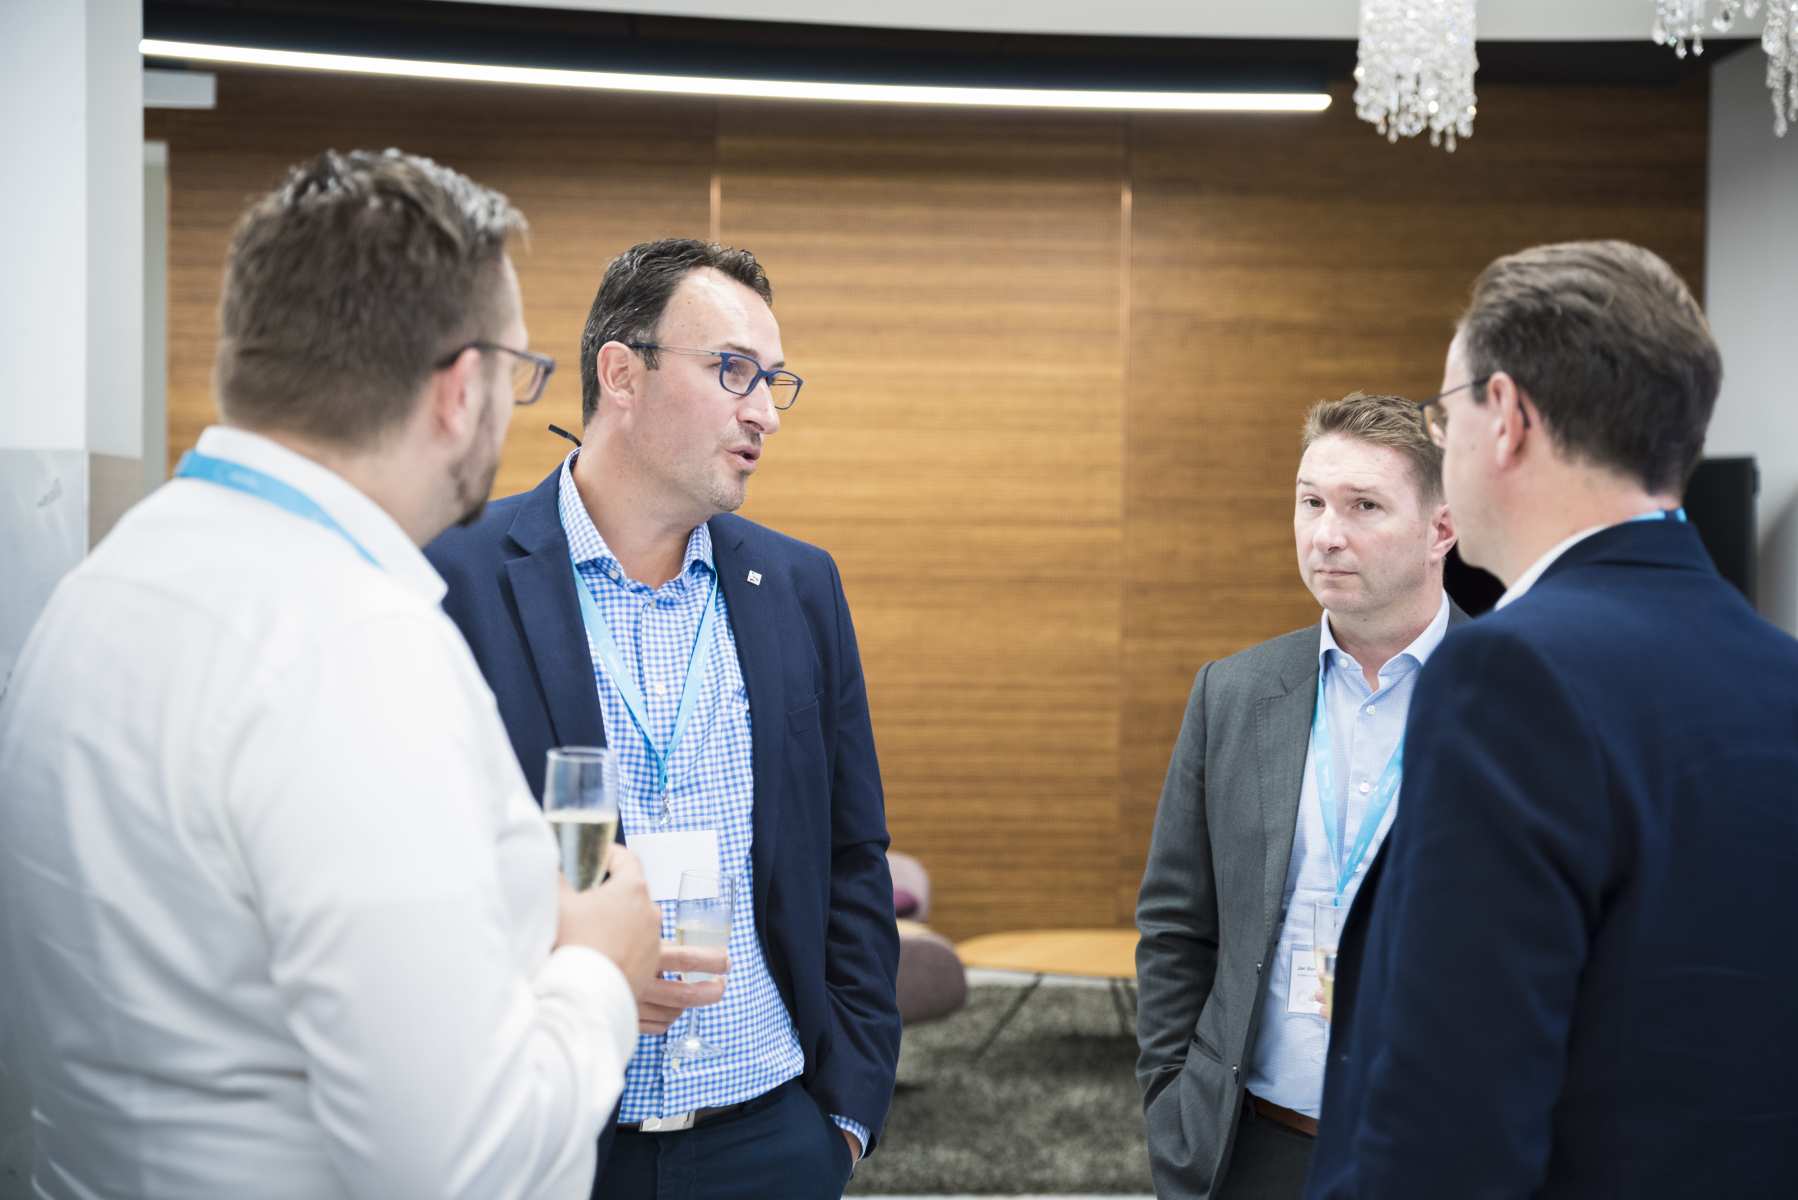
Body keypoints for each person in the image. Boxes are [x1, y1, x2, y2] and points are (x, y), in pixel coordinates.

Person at [0, 149, 661, 1198]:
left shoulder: (101, 585)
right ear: (460, 391)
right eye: (520, 374)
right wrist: (599, 970)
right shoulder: (354, 649)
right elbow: (461, 1167)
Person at [1307, 241, 1798, 1199]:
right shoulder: (1780, 675)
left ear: (1507, 417)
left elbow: (1452, 1120)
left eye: (1443, 414)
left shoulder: (1508, 675)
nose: (1442, 443)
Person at [425, 237, 900, 1198]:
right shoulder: (456, 577)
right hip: (560, 1135)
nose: (764, 411)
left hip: (772, 1132)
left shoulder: (799, 587)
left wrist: (845, 1118)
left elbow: (851, 856)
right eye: (733, 370)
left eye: (773, 380)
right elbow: (421, 865)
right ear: (621, 375)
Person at [1134, 391, 1465, 1199]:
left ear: (1442, 529)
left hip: (1442, 1156)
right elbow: (1177, 925)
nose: (1325, 534)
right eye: (1311, 501)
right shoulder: (1233, 693)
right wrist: (1173, 1103)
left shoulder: (1515, 699)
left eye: (1364, 506)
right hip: (1257, 1145)